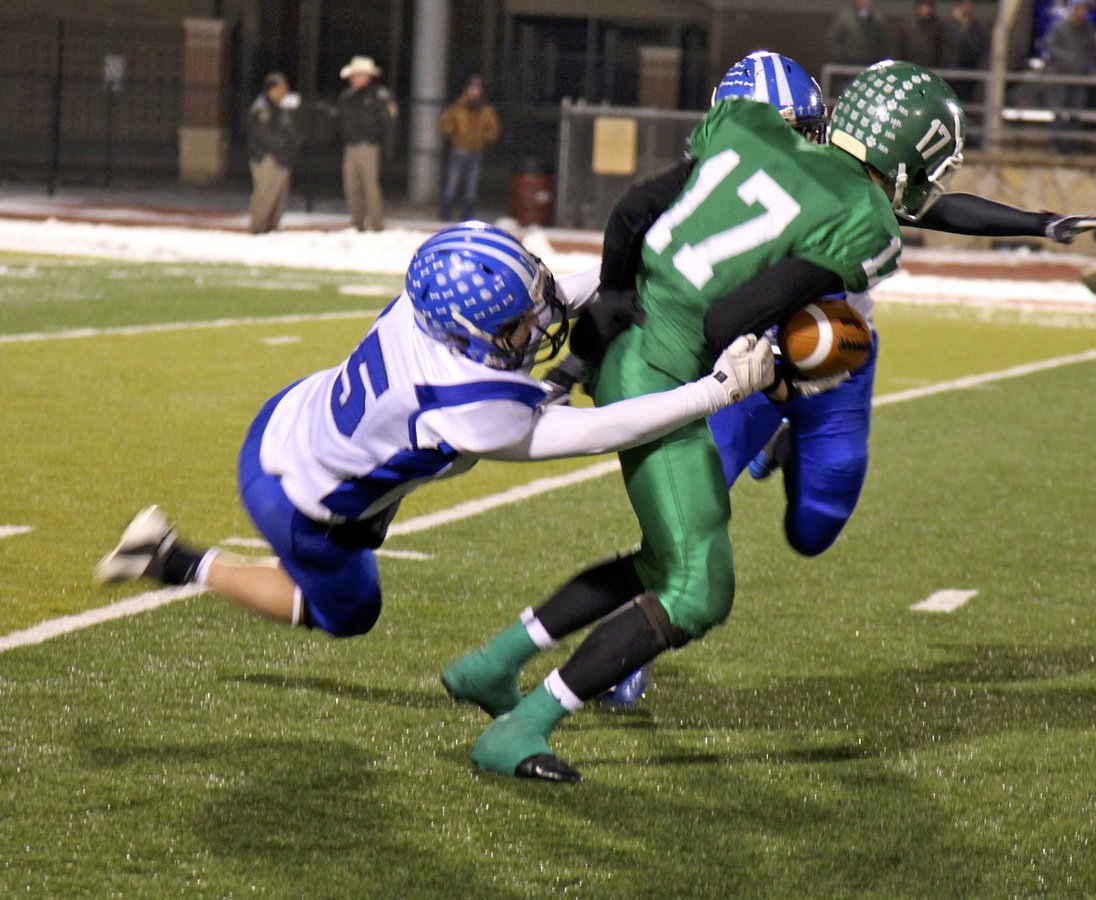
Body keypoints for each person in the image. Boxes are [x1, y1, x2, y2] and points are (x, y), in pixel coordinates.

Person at [441, 60, 966, 783]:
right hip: (661, 374)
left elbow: (631, 212)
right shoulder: (867, 220)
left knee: (661, 561)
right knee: (700, 588)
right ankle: (525, 724)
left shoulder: (749, 127)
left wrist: (616, 302)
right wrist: (786, 368)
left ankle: (491, 665)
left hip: (624, 345)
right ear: (911, 156)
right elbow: (730, 319)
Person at [593, 51, 1096, 708]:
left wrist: (1040, 224)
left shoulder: (848, 182)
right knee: (689, 516)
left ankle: (781, 448)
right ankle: (628, 657)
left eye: (804, 127)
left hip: (835, 364)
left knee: (814, 528)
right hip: (752, 358)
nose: (797, 143)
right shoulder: (735, 174)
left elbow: (930, 206)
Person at [94, 222, 773, 641]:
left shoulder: (427, 305)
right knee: (348, 613)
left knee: (466, 435)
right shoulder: (464, 401)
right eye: (515, 328)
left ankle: (185, 557)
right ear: (469, 334)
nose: (533, 326)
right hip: (304, 502)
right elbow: (599, 431)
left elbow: (547, 301)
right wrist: (715, 392)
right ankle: (172, 559)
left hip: (295, 424)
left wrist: (641, 271)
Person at [336, 56, 399, 232]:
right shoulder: (346, 97)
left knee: (370, 186)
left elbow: (389, 124)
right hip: (351, 146)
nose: (353, 79)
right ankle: (357, 223)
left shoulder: (380, 96)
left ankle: (377, 224)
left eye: (358, 75)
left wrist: (388, 147)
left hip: (370, 146)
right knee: (351, 186)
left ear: (367, 76)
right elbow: (341, 121)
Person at [439, 75, 502, 221]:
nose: (475, 93)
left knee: (471, 188)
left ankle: (466, 216)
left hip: (476, 152)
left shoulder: (486, 110)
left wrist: (482, 138)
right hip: (458, 150)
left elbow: (494, 129)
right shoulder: (457, 107)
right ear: (467, 90)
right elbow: (446, 123)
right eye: (472, 89)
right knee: (452, 184)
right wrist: (454, 133)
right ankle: (445, 214)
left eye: (478, 90)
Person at [246, 72, 300, 235]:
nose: (285, 90)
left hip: (281, 158)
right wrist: (283, 148)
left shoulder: (280, 107)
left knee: (279, 196)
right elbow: (266, 136)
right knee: (265, 195)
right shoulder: (262, 108)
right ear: (272, 89)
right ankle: (259, 229)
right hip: (267, 157)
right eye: (282, 87)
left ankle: (272, 228)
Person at [1043, 0, 1096, 154]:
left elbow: (1092, 50)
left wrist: (1086, 64)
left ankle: (1071, 143)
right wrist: (1067, 58)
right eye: (1080, 8)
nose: (1083, 12)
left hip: (1079, 78)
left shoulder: (1088, 29)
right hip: (1061, 77)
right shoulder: (1060, 27)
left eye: (1084, 9)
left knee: (1075, 111)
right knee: (1059, 110)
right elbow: (1050, 46)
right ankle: (1056, 143)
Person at [947, 0, 991, 105]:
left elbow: (983, 52)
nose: (968, 7)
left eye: (970, 4)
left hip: (970, 76)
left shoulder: (980, 30)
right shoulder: (949, 26)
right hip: (951, 74)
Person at [897, 0, 952, 68]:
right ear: (917, 8)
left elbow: (945, 54)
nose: (925, 10)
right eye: (922, 6)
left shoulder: (941, 28)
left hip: (934, 70)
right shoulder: (907, 28)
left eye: (927, 6)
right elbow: (900, 52)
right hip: (910, 69)